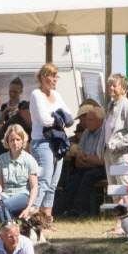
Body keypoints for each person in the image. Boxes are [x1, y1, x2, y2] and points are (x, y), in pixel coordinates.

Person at [28, 64, 79, 224]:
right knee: (44, 181)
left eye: (57, 76)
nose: (56, 79)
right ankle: (31, 215)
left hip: (57, 142)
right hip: (42, 142)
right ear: (44, 77)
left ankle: (46, 220)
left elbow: (70, 116)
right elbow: (44, 120)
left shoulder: (57, 94)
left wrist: (58, 118)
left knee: (53, 183)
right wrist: (59, 117)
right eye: (53, 76)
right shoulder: (36, 94)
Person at [0, 123, 40, 239]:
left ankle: (7, 236)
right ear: (7, 142)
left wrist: (29, 207)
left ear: (23, 140)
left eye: (18, 139)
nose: (15, 143)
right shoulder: (2, 159)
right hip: (6, 194)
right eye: (11, 140)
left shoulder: (29, 160)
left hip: (23, 195)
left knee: (3, 205)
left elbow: (34, 187)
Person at [58, 101, 108, 218]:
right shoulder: (86, 133)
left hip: (102, 169)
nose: (86, 123)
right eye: (87, 119)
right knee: (73, 177)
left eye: (90, 120)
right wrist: (88, 159)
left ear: (100, 121)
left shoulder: (104, 134)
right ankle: (65, 209)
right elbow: (79, 159)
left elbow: (102, 161)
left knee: (88, 176)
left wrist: (87, 159)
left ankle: (80, 210)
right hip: (87, 167)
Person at [101, 74, 128, 175]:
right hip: (109, 154)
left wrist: (116, 144)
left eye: (114, 85)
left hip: (121, 155)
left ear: (123, 88)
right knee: (112, 189)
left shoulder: (127, 106)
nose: (111, 88)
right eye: (109, 85)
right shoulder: (111, 105)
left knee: (122, 189)